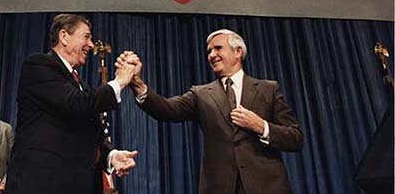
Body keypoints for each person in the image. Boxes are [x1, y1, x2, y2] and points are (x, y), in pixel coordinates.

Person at [119, 29, 304, 194]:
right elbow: (167, 110)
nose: (212, 55)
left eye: (218, 48)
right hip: (219, 187)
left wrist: (261, 126)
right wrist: (137, 84)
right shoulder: (201, 94)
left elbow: (295, 138)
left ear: (237, 52)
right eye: (209, 51)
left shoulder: (268, 89)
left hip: (267, 187)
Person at [5, 14, 138, 194]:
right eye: (86, 37)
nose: (91, 45)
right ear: (64, 36)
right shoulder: (38, 66)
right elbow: (76, 105)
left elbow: (91, 134)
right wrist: (120, 81)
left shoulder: (81, 86)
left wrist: (112, 156)